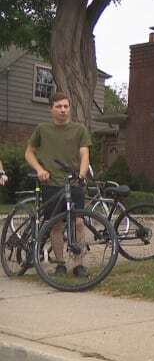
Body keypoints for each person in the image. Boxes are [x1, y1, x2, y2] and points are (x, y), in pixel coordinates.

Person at [24, 91, 91, 276]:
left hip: (74, 183)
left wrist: (82, 174)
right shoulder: (42, 129)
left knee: (78, 223)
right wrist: (39, 169)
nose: (63, 110)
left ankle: (78, 265)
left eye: (66, 106)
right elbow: (29, 152)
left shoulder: (79, 130)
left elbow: (85, 154)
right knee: (56, 225)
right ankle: (60, 263)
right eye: (58, 106)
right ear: (51, 109)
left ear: (69, 108)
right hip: (51, 183)